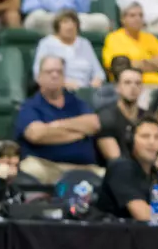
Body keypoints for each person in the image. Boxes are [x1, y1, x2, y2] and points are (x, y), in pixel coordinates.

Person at [14, 55, 102, 183]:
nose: (54, 75)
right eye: (49, 72)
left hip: (84, 168)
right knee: (29, 168)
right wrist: (79, 133)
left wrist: (54, 126)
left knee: (112, 177)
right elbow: (37, 134)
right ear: (39, 77)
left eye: (59, 72)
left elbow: (94, 124)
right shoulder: (30, 105)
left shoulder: (77, 102)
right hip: (46, 166)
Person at [92, 117, 158, 221]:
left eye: (157, 137)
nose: (152, 142)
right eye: (145, 136)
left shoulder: (155, 174)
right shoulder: (121, 168)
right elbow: (143, 215)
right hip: (110, 234)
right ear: (131, 140)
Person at [102, 3, 158, 87]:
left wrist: (138, 63)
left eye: (141, 15)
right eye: (132, 15)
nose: (138, 19)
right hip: (130, 86)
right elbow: (119, 66)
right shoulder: (114, 38)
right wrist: (154, 64)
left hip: (157, 85)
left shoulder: (150, 38)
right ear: (123, 19)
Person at [95, 65, 147, 162]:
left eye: (138, 83)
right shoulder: (106, 117)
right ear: (117, 87)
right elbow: (116, 161)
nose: (133, 87)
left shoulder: (147, 117)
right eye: (127, 83)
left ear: (142, 88)